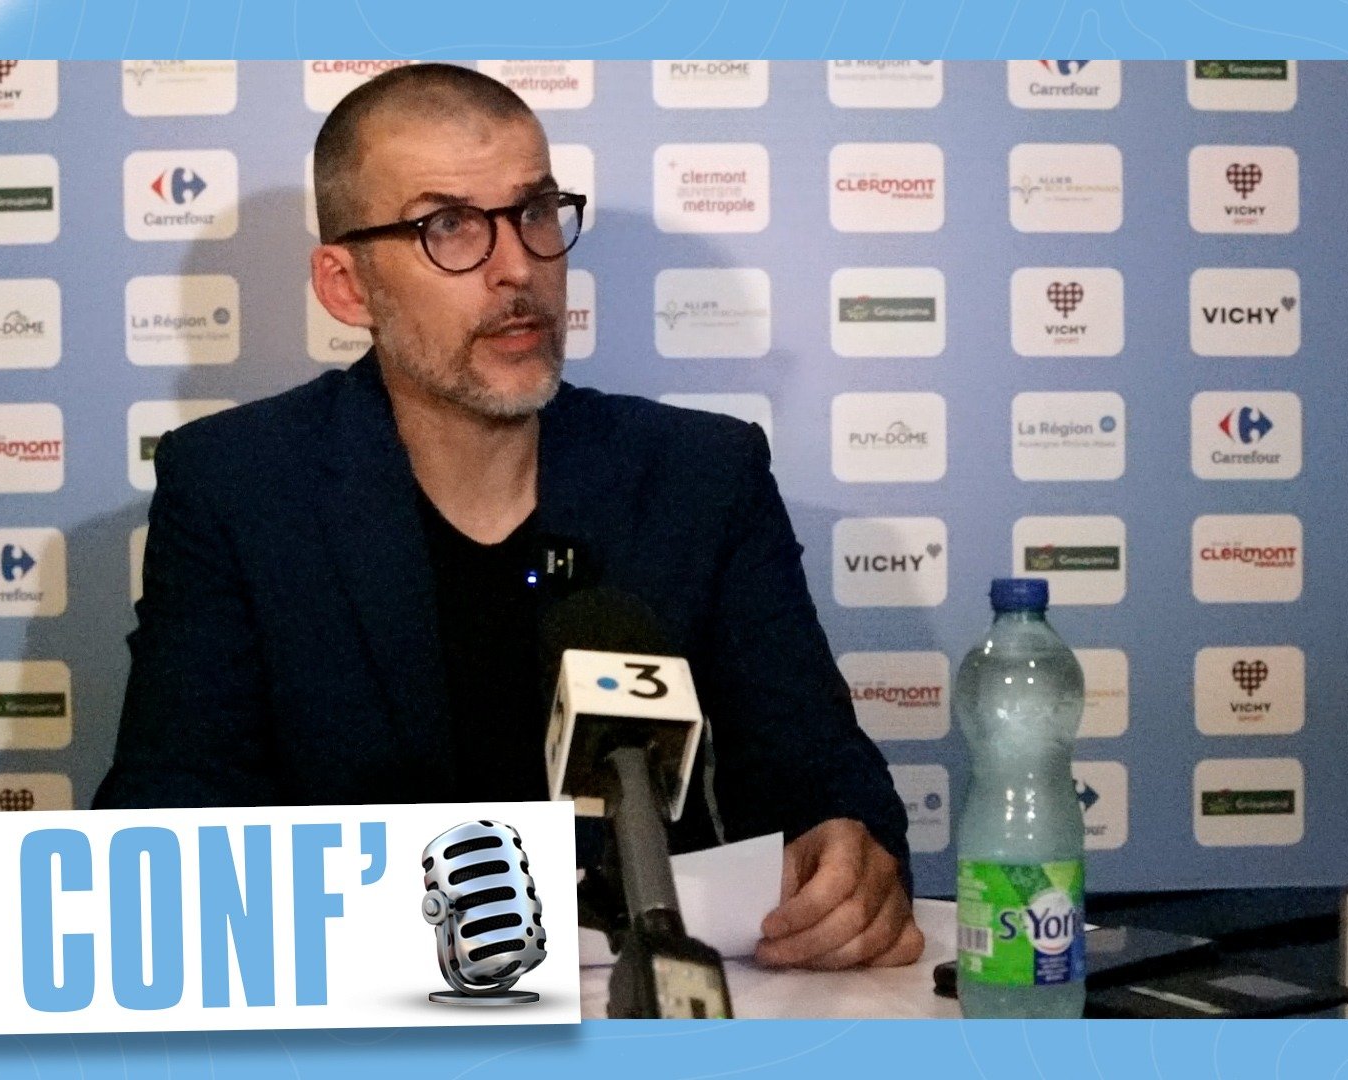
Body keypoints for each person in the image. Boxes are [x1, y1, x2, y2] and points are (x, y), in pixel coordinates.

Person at [93, 63, 924, 971]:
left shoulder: (699, 475)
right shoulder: (237, 486)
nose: (518, 267)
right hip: (365, 1003)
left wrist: (847, 854)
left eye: (534, 212)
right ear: (347, 285)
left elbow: (817, 773)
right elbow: (167, 825)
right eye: (447, 226)